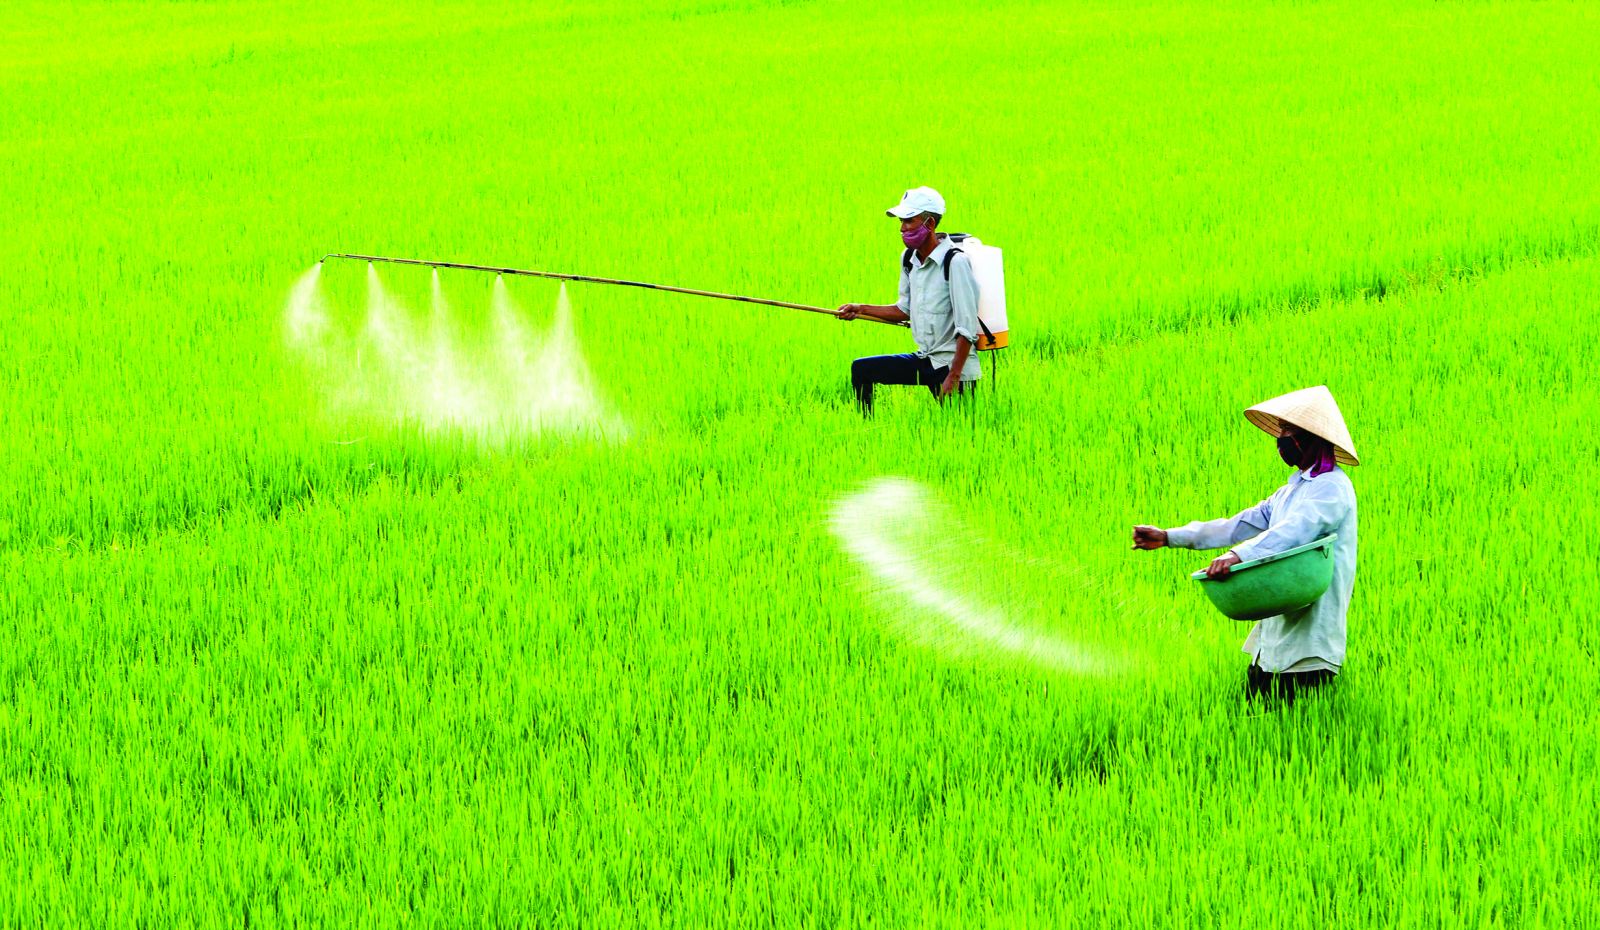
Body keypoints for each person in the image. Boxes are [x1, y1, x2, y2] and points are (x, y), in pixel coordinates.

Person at [1131, 386, 1360, 707]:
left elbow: (1296, 531)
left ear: (1312, 438)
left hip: (1310, 646)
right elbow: (1236, 525)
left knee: (1296, 735)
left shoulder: (1332, 488)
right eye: (1280, 433)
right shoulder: (1290, 491)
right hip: (1272, 639)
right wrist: (1169, 536)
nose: (1281, 441)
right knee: (1252, 718)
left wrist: (1240, 555)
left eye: (1289, 433)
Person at [837, 186, 981, 415]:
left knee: (958, 432)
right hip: (925, 359)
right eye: (901, 222)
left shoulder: (955, 262)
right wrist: (860, 309)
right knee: (862, 369)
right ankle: (865, 429)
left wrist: (953, 378)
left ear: (930, 224)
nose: (902, 228)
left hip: (953, 366)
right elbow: (903, 309)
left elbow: (967, 328)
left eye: (909, 220)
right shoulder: (909, 259)